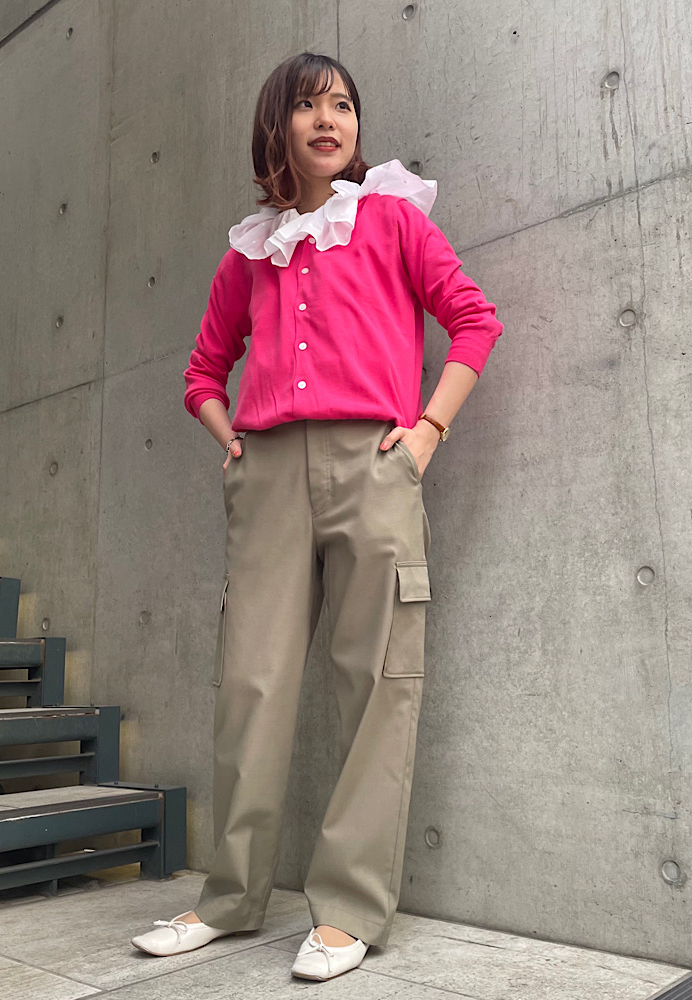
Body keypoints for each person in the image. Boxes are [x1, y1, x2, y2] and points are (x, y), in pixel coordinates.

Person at [131, 50, 503, 982]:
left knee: (376, 683)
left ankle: (349, 910)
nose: (328, 119)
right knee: (251, 685)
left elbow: (474, 321)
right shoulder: (248, 252)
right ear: (277, 127)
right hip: (267, 477)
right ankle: (230, 898)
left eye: (342, 104)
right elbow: (201, 372)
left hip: (374, 466)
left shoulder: (390, 218)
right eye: (306, 106)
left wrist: (426, 434)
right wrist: (232, 442)